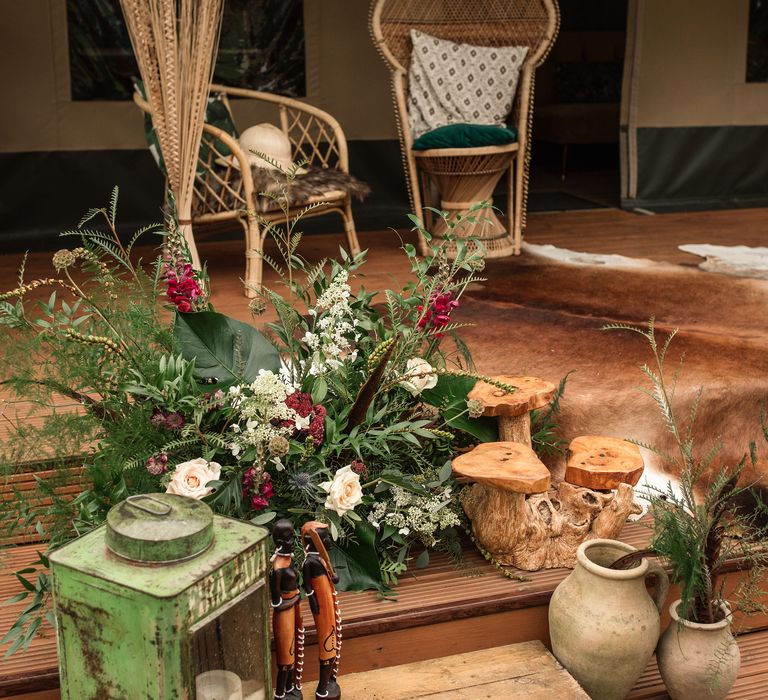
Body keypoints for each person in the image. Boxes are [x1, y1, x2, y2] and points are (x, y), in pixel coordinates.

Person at [300, 521, 341, 700]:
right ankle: (322, 688)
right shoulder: (309, 562)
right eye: (325, 539)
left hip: (329, 603)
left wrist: (334, 577)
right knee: (327, 642)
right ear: (313, 542)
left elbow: (331, 578)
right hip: (322, 608)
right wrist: (313, 602)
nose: (329, 542)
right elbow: (307, 586)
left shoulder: (321, 560)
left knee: (332, 637)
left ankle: (327, 682)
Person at [270, 519, 304, 700]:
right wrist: (294, 599)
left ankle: (290, 687)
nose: (294, 541)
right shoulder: (277, 568)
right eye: (290, 538)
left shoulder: (289, 559)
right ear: (281, 542)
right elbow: (276, 603)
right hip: (284, 614)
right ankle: (281, 692)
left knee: (293, 650)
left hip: (293, 609)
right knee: (285, 655)